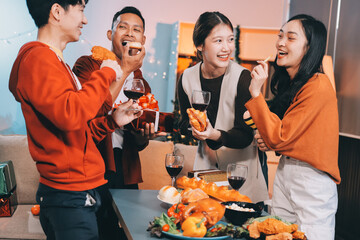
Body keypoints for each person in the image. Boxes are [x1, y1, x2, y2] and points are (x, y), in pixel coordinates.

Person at [8, 1, 142, 239]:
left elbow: (78, 130)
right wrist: (108, 72)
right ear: (57, 12)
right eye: (80, 10)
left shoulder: (58, 63)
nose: (85, 20)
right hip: (67, 197)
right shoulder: (38, 59)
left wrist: (112, 122)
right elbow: (71, 115)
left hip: (79, 193)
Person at [246, 14, 340, 239]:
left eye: (290, 38)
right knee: (277, 233)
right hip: (287, 171)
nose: (280, 42)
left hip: (311, 179)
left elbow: (280, 138)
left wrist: (256, 93)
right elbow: (283, 136)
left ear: (309, 47)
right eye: (280, 36)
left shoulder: (318, 85)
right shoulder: (299, 85)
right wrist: (268, 139)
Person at [72, 6, 155, 239]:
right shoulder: (88, 65)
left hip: (125, 170)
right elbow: (89, 112)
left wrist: (143, 135)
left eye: (136, 29)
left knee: (129, 233)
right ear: (110, 34)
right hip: (93, 165)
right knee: (98, 232)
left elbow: (137, 142)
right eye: (122, 27)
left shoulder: (140, 83)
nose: (129, 33)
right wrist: (125, 68)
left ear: (143, 39)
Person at [177, 11, 268, 203]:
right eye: (218, 41)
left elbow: (245, 135)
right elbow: (184, 121)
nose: (226, 48)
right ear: (200, 45)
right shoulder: (187, 77)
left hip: (242, 173)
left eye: (230, 40)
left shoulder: (243, 78)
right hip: (208, 170)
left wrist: (213, 134)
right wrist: (193, 129)